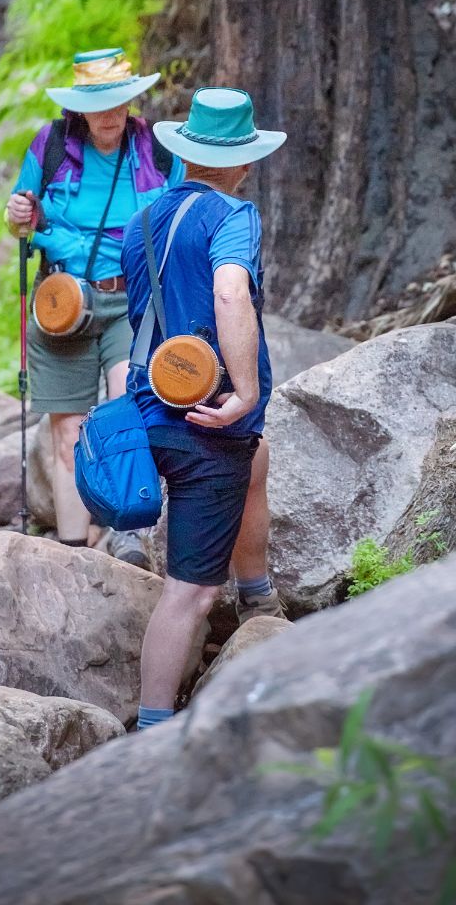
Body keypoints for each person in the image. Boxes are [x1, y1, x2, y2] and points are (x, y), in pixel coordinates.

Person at [120, 87, 286, 730]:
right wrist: (243, 393)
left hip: (148, 404)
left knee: (259, 456)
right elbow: (227, 292)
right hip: (207, 419)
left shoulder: (142, 220)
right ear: (244, 161)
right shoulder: (233, 215)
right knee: (189, 592)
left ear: (185, 155)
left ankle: (256, 594)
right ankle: (155, 728)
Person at [6, 48, 184, 561]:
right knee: (67, 432)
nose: (110, 114)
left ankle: (126, 532)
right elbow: (19, 221)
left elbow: (175, 218)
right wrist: (20, 215)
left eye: (120, 102)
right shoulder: (53, 145)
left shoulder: (156, 151)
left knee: (121, 409)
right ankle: (71, 552)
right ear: (79, 107)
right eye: (99, 104)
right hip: (61, 303)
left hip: (130, 300)